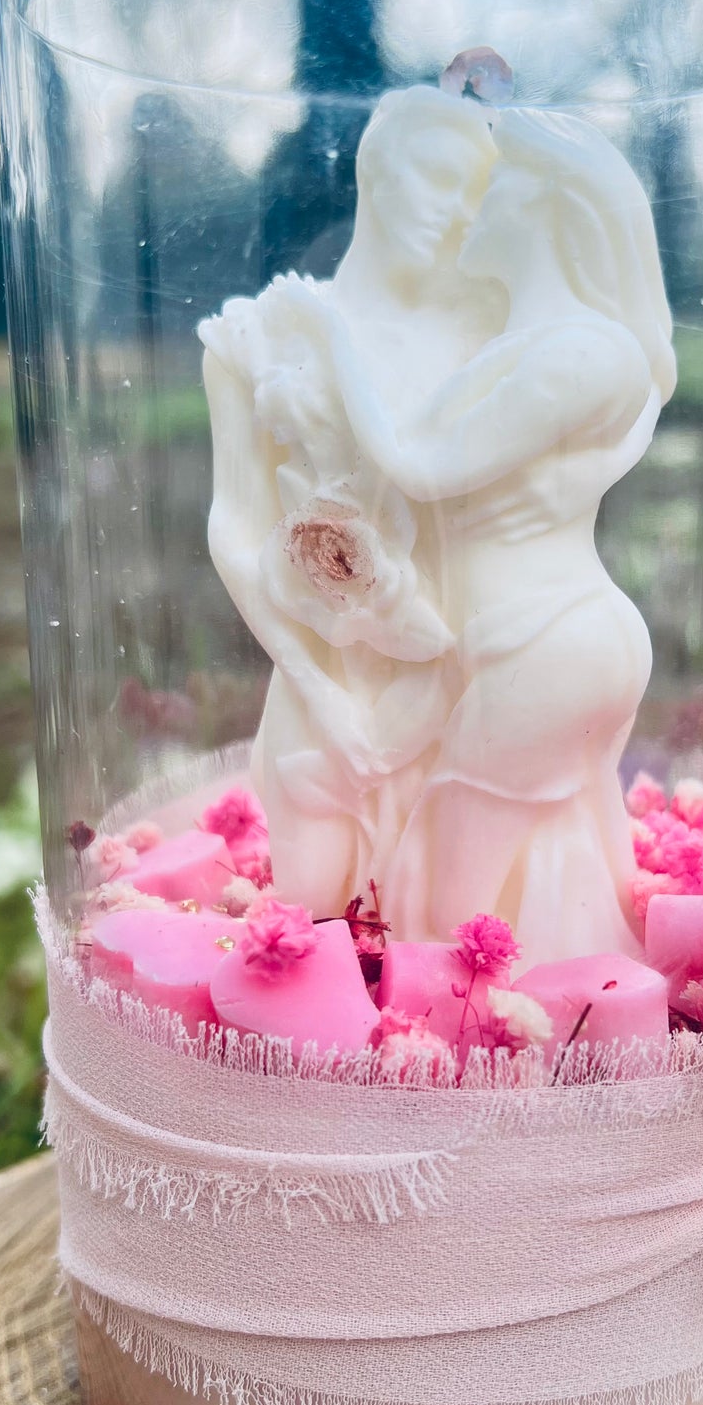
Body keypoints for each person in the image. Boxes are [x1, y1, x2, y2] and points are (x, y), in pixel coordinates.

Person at [326, 107, 676, 962]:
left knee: (447, 900)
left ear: (544, 206)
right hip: (534, 642)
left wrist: (325, 332)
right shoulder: (534, 347)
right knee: (562, 859)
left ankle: (464, 1074)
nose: (468, 206)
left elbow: (421, 464)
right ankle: (577, 1033)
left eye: (492, 184)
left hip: (545, 645)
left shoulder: (584, 355)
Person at [201, 87, 500, 916]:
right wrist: (313, 682)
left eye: (473, 197)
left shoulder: (491, 339)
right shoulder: (260, 334)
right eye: (439, 180)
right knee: (310, 906)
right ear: (378, 170)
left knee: (448, 925)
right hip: (322, 667)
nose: (452, 214)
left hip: (449, 669)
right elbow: (236, 521)